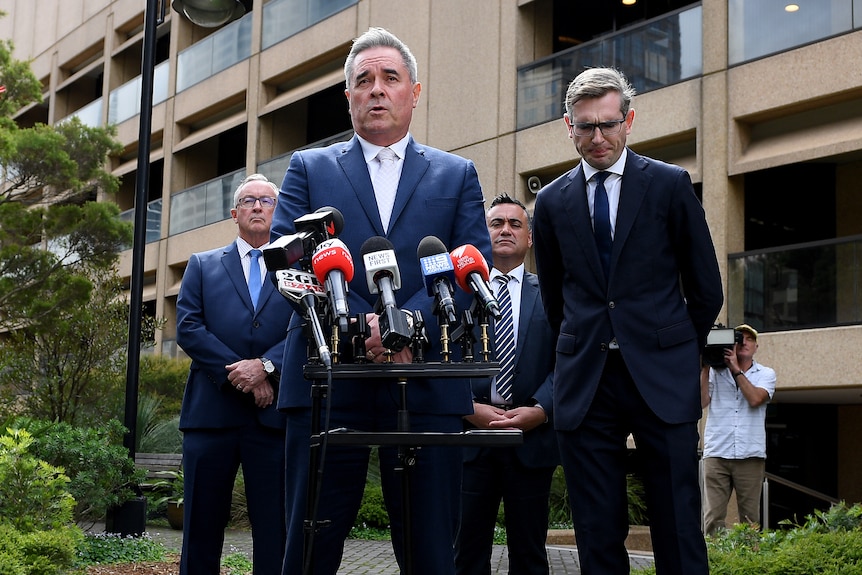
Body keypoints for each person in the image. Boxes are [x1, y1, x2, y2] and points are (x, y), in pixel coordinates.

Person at [271, 27, 492, 575]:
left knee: (431, 553)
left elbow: (470, 264)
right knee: (308, 548)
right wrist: (360, 323)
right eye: (362, 80)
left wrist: (404, 323)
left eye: (390, 78)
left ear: (414, 91)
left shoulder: (456, 173)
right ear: (347, 95)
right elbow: (291, 262)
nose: (376, 89)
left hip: (426, 382)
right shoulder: (308, 168)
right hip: (327, 380)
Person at [532, 67, 723, 575]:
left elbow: (706, 287)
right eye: (586, 126)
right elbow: (556, 298)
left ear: (629, 121)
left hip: (661, 374)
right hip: (586, 382)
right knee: (596, 531)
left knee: (679, 527)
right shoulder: (549, 202)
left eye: (608, 124)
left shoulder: (669, 184)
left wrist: (689, 356)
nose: (598, 137)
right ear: (567, 127)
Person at [176, 174, 290, 575]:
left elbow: (307, 331)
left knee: (274, 532)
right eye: (248, 200)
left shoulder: (298, 271)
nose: (257, 206)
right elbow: (188, 328)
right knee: (201, 530)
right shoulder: (202, 265)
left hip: (273, 419)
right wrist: (241, 375)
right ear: (234, 213)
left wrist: (266, 368)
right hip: (211, 416)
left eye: (266, 200)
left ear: (277, 211)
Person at [455, 193, 559, 575]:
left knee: (530, 556)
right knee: (465, 554)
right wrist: (468, 407)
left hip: (531, 440)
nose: (505, 230)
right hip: (470, 440)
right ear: (484, 235)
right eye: (496, 223)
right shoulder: (457, 294)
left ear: (530, 238)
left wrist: (541, 409)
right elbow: (440, 358)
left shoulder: (553, 293)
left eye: (515, 224)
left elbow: (567, 361)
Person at [701, 323, 776, 534]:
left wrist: (735, 369)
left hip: (750, 455)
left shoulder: (766, 374)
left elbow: (755, 399)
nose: (744, 342)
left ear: (756, 347)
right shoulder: (715, 372)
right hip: (717, 453)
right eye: (739, 338)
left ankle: (748, 564)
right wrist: (705, 366)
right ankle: (714, 562)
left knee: (750, 520)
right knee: (713, 517)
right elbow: (700, 402)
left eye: (749, 339)